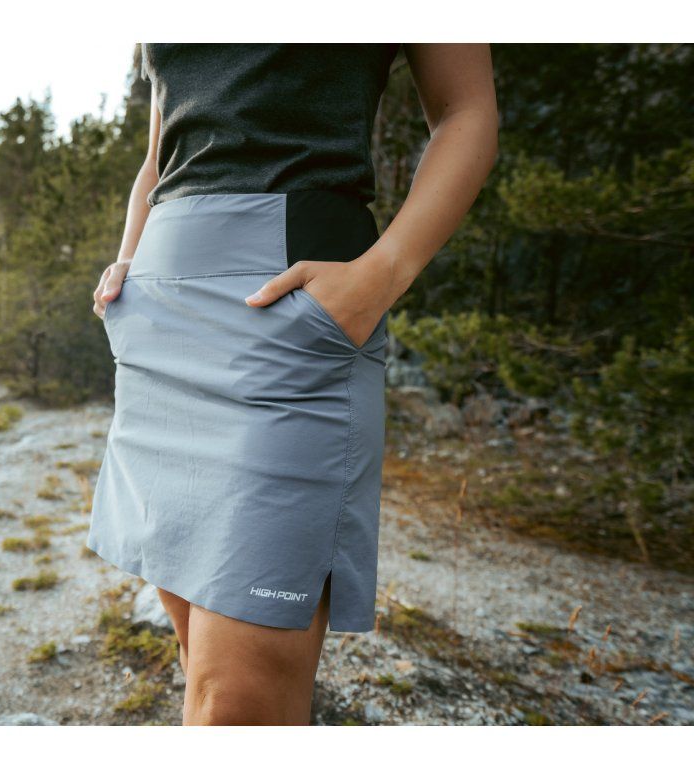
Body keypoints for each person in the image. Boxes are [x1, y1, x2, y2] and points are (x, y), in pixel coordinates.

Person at [86, 43, 498, 726]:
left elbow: (467, 111)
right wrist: (129, 259)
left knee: (237, 696)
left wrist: (381, 274)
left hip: (288, 312)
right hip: (162, 323)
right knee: (202, 665)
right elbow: (161, 154)